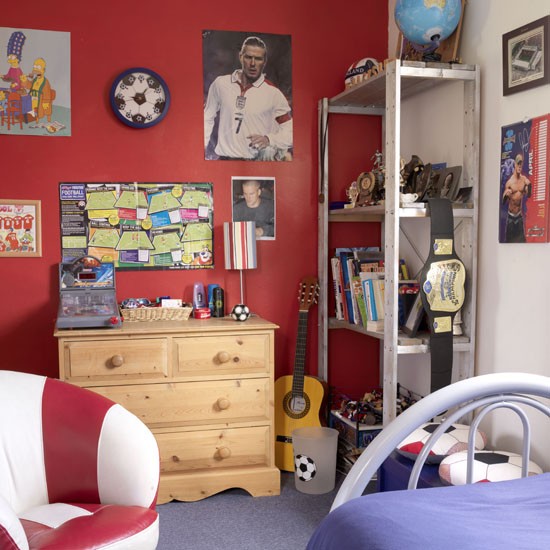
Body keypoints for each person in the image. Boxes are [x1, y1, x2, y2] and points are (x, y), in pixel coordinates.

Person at [204, 36, 292, 161]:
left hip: (255, 164)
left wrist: (269, 139)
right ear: (241, 57)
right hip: (224, 161)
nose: (252, 64)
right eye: (248, 57)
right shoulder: (221, 84)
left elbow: (291, 131)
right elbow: (207, 118)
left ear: (264, 61)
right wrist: (201, 148)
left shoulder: (273, 93)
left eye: (258, 59)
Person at [502, 153, 531, 243]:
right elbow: (503, 201)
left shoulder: (523, 180)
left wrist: (529, 185)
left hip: (519, 217)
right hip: (511, 218)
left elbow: (528, 195)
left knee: (522, 242)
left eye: (521, 164)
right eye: (518, 164)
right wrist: (506, 195)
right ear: (515, 164)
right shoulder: (510, 182)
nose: (519, 166)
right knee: (509, 243)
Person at [20, 58, 54, 123]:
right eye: (35, 67)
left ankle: (36, 117)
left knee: (37, 109)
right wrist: (25, 80)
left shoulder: (45, 82)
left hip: (40, 99)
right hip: (32, 97)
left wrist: (45, 102)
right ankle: (29, 117)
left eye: (38, 68)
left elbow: (47, 93)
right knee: (25, 102)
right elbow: (30, 86)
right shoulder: (35, 79)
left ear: (43, 70)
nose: (36, 72)